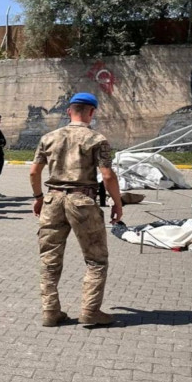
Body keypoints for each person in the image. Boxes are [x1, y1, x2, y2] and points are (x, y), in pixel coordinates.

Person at [29, 92, 123, 327]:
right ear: (92, 112)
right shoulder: (97, 139)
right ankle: (90, 311)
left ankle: (50, 312)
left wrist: (39, 197)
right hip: (82, 201)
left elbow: (34, 172)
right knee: (96, 260)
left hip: (52, 201)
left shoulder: (48, 138)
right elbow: (108, 175)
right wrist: (117, 203)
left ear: (69, 110)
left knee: (49, 259)